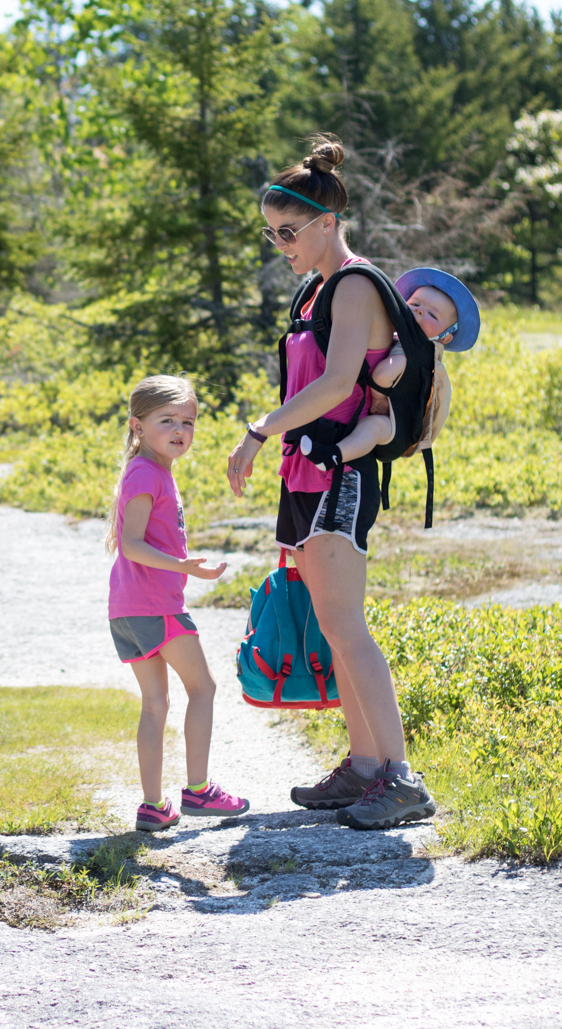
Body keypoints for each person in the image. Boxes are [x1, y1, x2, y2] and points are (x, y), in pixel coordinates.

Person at [225, 137, 437, 832]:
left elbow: (340, 383)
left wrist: (259, 430)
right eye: (271, 233)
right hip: (307, 473)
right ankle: (366, 765)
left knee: (347, 626)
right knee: (335, 627)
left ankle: (402, 779)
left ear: (326, 223)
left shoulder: (353, 284)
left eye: (288, 231)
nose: (279, 245)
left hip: (341, 476)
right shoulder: (314, 289)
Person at [108, 374, 252, 832]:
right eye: (166, 420)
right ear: (137, 426)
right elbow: (131, 544)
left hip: (128, 608)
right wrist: (184, 566)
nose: (179, 430)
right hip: (156, 605)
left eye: (187, 422)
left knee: (155, 703)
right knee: (203, 688)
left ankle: (154, 805)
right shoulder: (147, 474)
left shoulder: (149, 472)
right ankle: (199, 790)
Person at [294, 268, 481, 472]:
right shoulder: (403, 341)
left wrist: (379, 400)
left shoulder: (414, 350)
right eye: (415, 304)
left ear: (445, 337)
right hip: (398, 424)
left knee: (372, 427)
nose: (419, 311)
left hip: (397, 429)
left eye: (432, 315)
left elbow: (382, 375)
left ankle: (332, 455)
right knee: (370, 427)